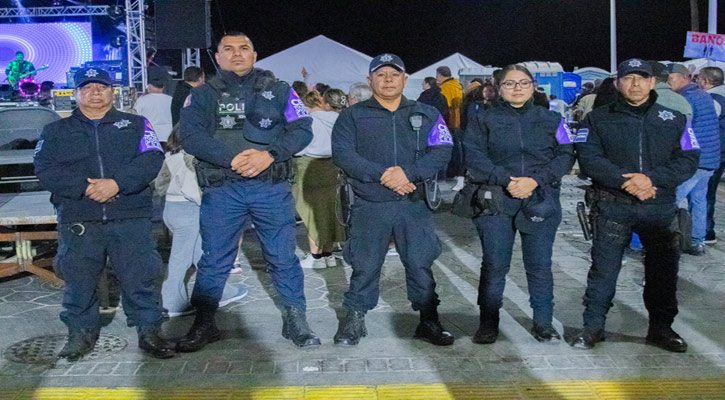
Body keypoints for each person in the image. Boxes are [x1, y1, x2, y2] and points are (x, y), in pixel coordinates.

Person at [176, 31, 318, 351]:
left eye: (244, 48)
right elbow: (191, 136)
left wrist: (270, 155)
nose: (237, 54)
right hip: (223, 189)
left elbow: (302, 129)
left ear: (255, 55)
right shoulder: (201, 95)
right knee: (214, 261)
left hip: (270, 188)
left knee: (283, 257)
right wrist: (231, 159)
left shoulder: (280, 90)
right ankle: (204, 323)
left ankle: (296, 319)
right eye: (228, 49)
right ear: (218, 57)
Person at [34, 68, 173, 360]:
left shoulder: (137, 124)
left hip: (130, 216)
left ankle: (150, 332)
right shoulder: (55, 131)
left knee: (141, 279)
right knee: (79, 281)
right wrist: (85, 190)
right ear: (75, 94)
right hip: (79, 218)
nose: (95, 92)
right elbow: (45, 169)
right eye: (87, 87)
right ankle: (80, 335)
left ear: (113, 92)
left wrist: (117, 184)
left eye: (102, 87)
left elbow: (152, 158)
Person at [572, 59, 699, 352]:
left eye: (642, 78)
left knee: (663, 273)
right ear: (618, 83)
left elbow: (689, 159)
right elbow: (589, 159)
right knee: (603, 272)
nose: (636, 84)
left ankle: (661, 329)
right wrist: (624, 181)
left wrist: (651, 180)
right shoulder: (597, 119)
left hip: (659, 206)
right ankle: (592, 328)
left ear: (653, 82)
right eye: (629, 78)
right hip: (613, 206)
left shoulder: (675, 118)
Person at [331, 53, 454, 347]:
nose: (388, 80)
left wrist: (408, 173)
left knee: (420, 263)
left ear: (405, 79)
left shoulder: (427, 114)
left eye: (394, 74)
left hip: (413, 203)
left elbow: (443, 149)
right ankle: (354, 321)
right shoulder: (352, 116)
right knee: (365, 264)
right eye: (381, 75)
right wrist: (383, 175)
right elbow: (344, 155)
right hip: (370, 204)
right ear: (370, 80)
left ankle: (428, 320)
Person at [463, 64, 575, 344]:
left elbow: (565, 155)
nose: (517, 89)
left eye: (523, 83)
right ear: (498, 89)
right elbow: (473, 155)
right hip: (497, 199)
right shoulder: (482, 119)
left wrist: (535, 180)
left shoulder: (552, 119)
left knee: (539, 265)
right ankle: (488, 323)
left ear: (533, 86)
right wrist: (506, 179)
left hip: (540, 198)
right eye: (510, 84)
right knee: (494, 264)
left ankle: (543, 322)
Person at [154, 128, 249, 317]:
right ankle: (171, 302)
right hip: (189, 212)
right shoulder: (191, 159)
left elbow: (159, 185)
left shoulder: (170, 157)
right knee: (180, 259)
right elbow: (192, 190)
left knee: (199, 253)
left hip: (171, 209)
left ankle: (221, 292)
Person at [668, 63, 721, 255]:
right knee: (698, 200)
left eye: (671, 78)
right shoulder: (702, 95)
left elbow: (684, 129)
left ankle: (664, 243)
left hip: (696, 159)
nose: (668, 82)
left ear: (683, 77)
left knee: (672, 199)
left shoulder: (687, 99)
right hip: (709, 157)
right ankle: (697, 241)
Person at [294, 89, 348, 269]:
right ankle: (329, 254)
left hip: (309, 166)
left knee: (311, 212)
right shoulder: (339, 118)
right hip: (332, 166)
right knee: (329, 211)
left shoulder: (309, 120)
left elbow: (299, 147)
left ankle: (316, 257)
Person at [696, 66, 725, 244]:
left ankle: (706, 231)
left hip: (716, 151)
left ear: (706, 80)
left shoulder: (712, 99)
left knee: (707, 192)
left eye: (698, 78)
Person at [437, 66, 465, 185]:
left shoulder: (445, 88)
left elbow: (445, 107)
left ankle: (448, 172)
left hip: (449, 122)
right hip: (458, 121)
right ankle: (457, 171)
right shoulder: (458, 86)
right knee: (457, 148)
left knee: (447, 148)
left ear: (439, 75)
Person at [134, 80, 173, 144]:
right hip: (168, 135)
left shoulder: (143, 100)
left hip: (150, 135)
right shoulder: (170, 99)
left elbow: (136, 115)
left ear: (149, 87)